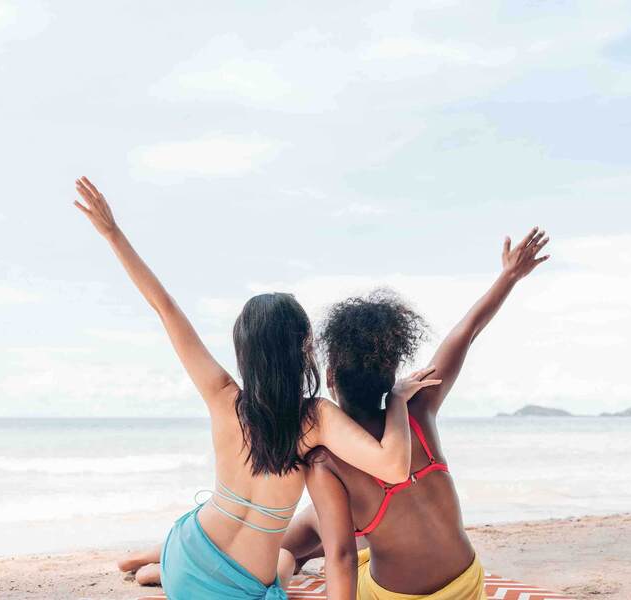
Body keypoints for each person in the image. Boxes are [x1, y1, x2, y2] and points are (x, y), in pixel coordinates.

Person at [73, 176, 442, 600]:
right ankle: (147, 569)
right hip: (239, 587)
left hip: (189, 550)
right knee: (285, 561)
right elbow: (394, 467)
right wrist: (395, 399)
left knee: (232, 550)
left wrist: (113, 234)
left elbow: (165, 308)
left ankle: (152, 566)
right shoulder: (316, 418)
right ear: (305, 348)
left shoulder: (222, 395)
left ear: (244, 350)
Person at [279, 227, 550, 600]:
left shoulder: (327, 459)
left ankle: (275, 558)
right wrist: (509, 277)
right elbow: (466, 332)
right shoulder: (418, 412)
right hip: (468, 583)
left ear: (329, 378)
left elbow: (340, 555)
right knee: (341, 529)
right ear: (392, 376)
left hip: (394, 596)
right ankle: (288, 558)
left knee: (313, 523)